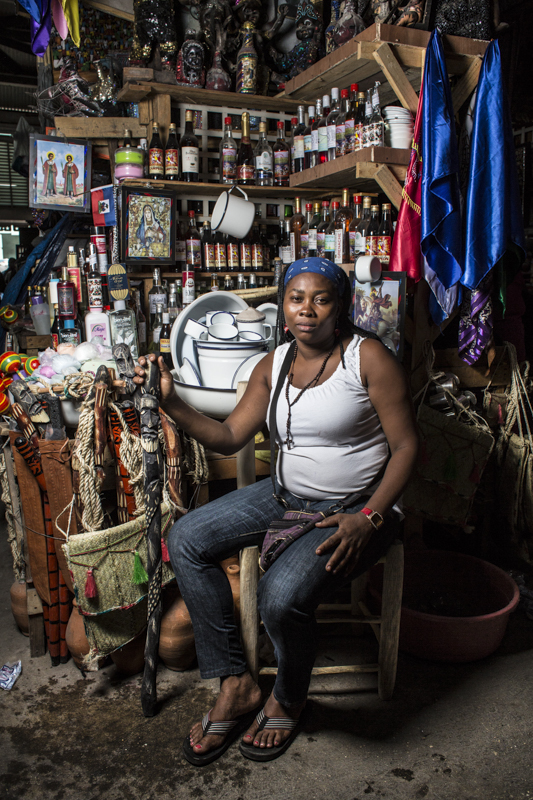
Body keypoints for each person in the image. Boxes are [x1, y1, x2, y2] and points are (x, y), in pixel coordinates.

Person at [134, 257, 418, 766]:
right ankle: (237, 683)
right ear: (282, 307)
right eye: (296, 298)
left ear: (341, 307)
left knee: (280, 596)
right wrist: (170, 402)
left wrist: (370, 516)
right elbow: (227, 438)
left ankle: (288, 696)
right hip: (285, 495)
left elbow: (406, 448)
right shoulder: (274, 364)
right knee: (186, 540)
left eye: (321, 298)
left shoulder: (368, 358)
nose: (307, 310)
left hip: (356, 509)